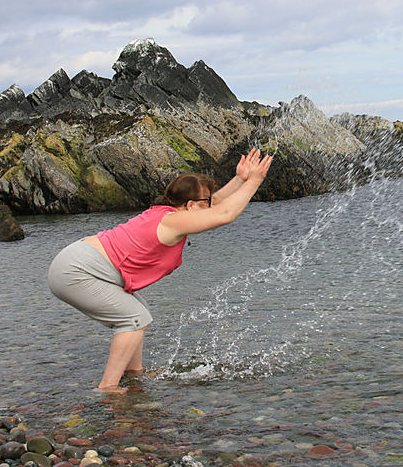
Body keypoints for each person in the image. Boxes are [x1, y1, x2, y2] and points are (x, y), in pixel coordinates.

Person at [48, 149, 274, 393]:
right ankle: (108, 387)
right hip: (77, 270)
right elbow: (224, 213)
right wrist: (255, 180)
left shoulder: (168, 213)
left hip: (80, 263)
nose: (209, 206)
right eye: (204, 203)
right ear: (189, 205)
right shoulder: (172, 221)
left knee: (139, 312)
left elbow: (215, 205)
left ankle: (134, 374)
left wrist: (239, 180)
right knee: (134, 318)